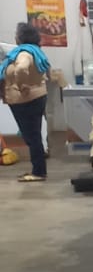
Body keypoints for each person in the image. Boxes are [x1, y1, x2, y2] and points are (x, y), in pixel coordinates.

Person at [1, 23, 51, 182]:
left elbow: (21, 69)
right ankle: (38, 169)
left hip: (25, 100)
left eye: (16, 34)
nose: (15, 37)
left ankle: (38, 172)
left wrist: (20, 85)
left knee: (32, 137)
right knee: (34, 136)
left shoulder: (24, 53)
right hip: (37, 97)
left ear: (21, 37)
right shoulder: (35, 51)